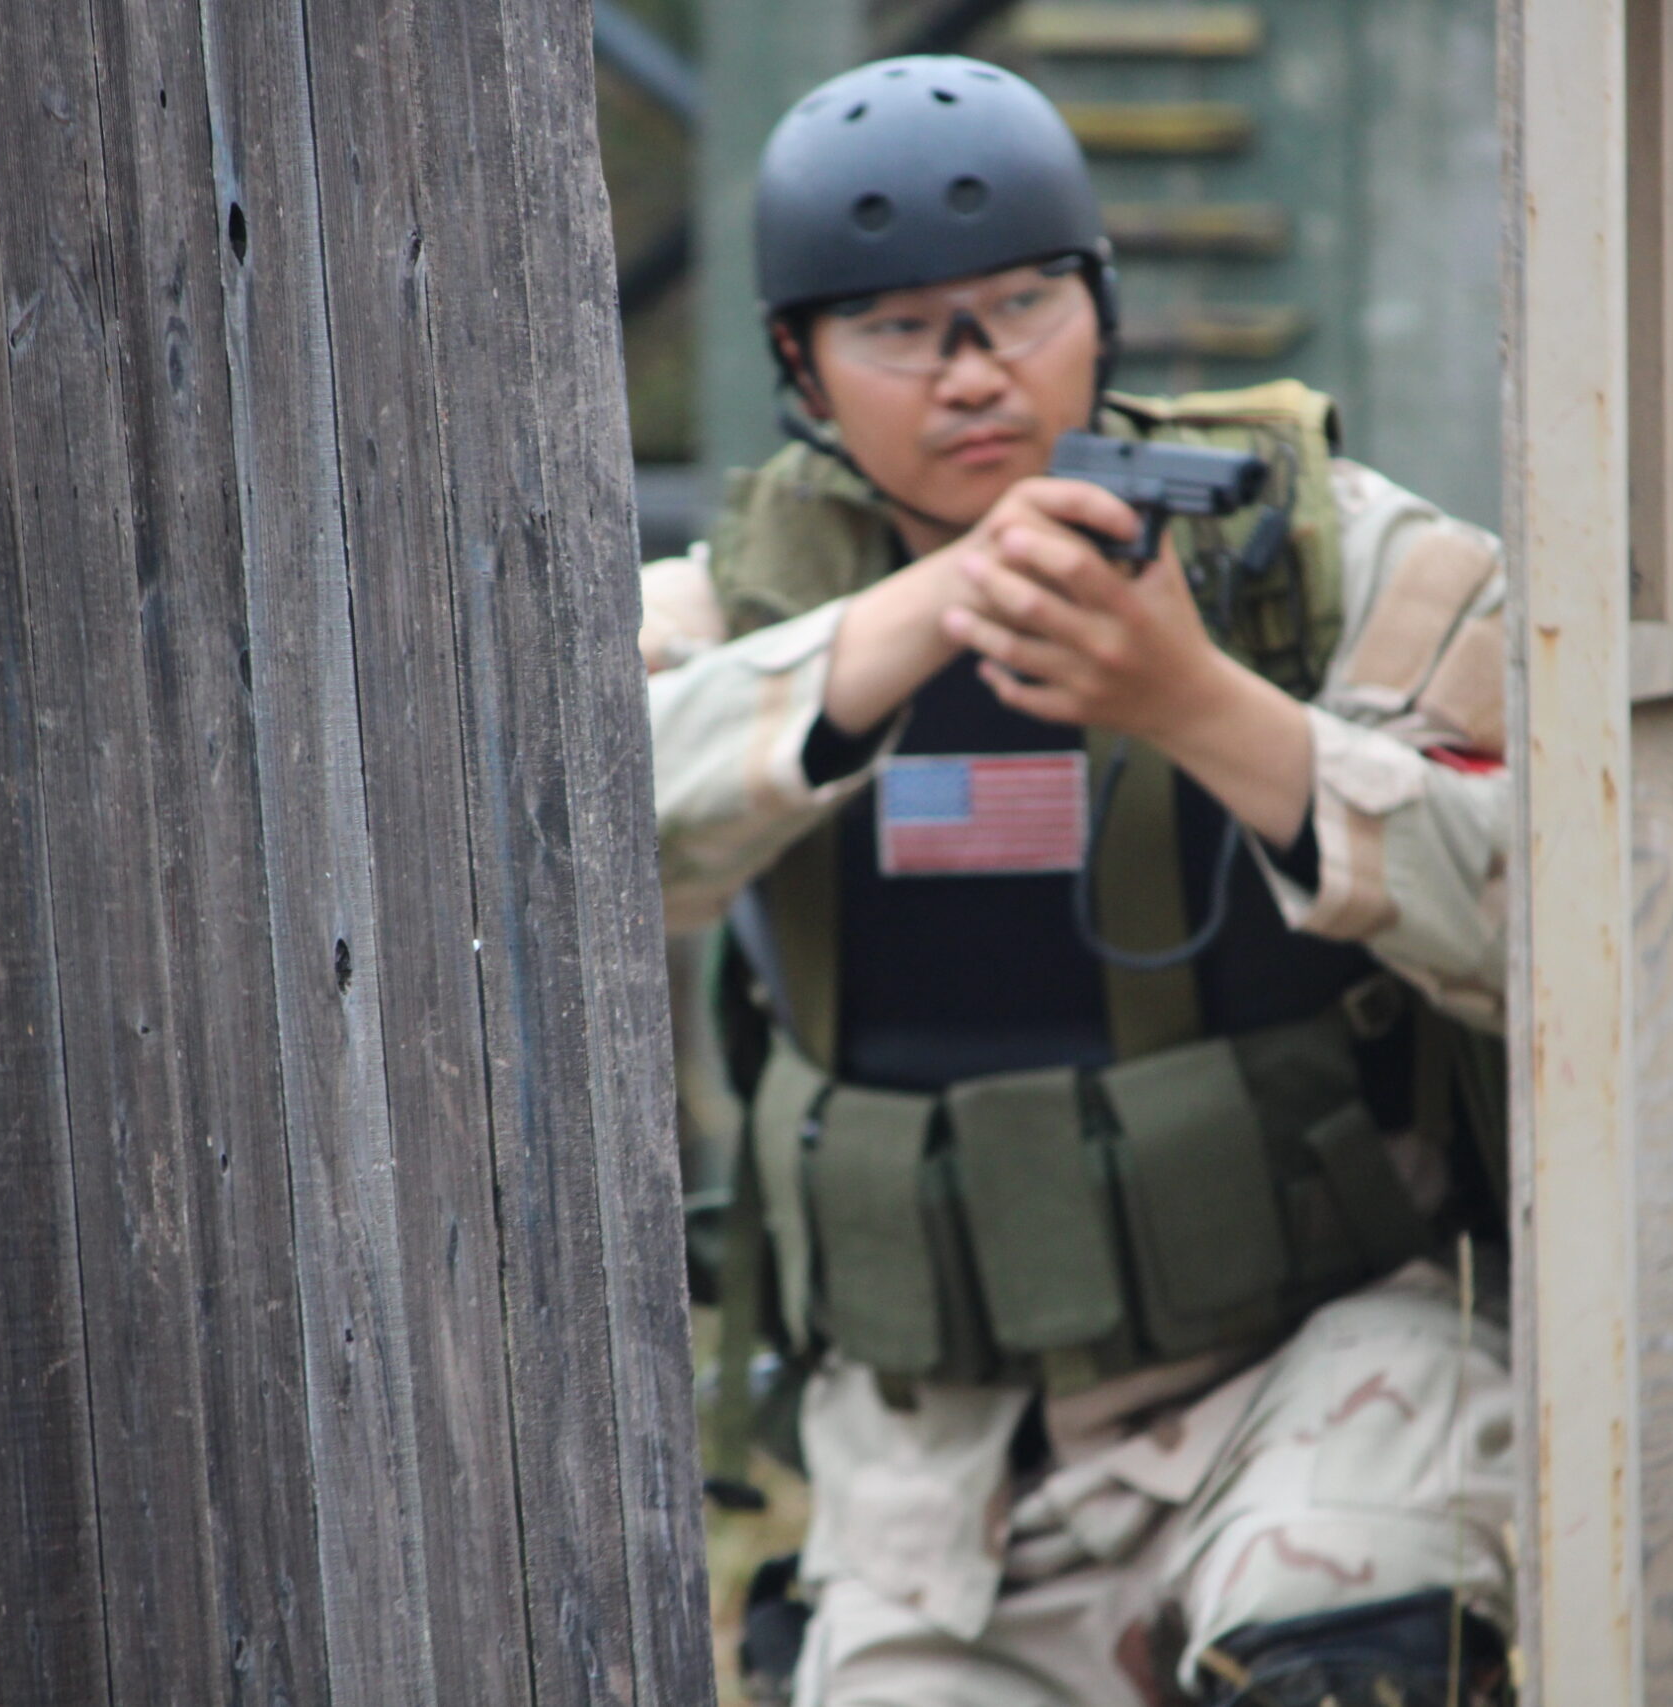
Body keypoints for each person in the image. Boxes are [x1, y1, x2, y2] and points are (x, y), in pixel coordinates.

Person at [642, 55, 1516, 1707]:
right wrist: (931, 611)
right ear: (799, 366)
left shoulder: (1323, 564)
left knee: (1348, 1655)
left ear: (1100, 308)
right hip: (938, 1476)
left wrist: (1194, 704)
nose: (975, 373)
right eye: (898, 329)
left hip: (1324, 1371)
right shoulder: (743, 606)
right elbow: (555, 849)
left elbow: (1569, 916)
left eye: (1022, 305)